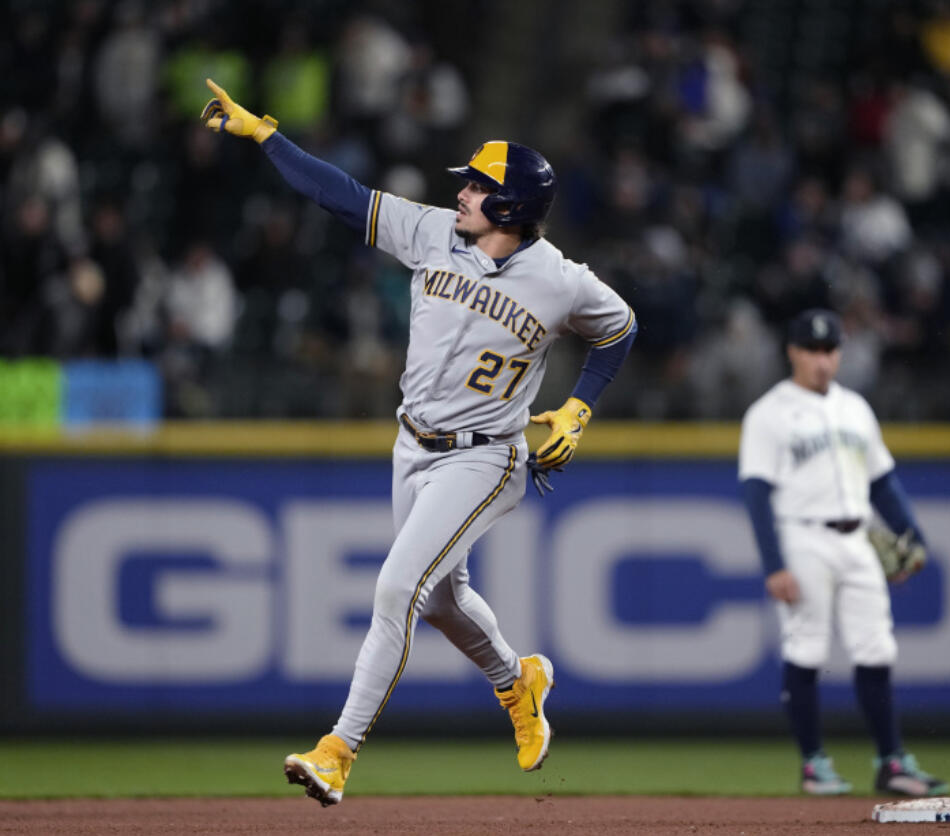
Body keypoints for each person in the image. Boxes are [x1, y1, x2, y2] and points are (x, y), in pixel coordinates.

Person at [201, 79, 637, 807]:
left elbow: (619, 328)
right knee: (438, 600)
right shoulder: (434, 231)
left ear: (509, 207)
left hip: (486, 455)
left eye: (476, 185)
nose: (462, 192)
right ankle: (517, 680)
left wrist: (578, 410)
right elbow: (341, 194)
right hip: (413, 446)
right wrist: (264, 136)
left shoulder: (561, 280)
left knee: (399, 589)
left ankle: (337, 751)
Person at [737, 308, 948, 798]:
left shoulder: (855, 407)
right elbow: (755, 493)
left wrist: (912, 534)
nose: (821, 360)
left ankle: (892, 763)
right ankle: (814, 764)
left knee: (877, 647)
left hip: (857, 539)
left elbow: (882, 483)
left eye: (829, 350)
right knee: (806, 647)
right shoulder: (768, 412)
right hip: (801, 536)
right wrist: (774, 565)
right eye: (811, 350)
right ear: (792, 351)